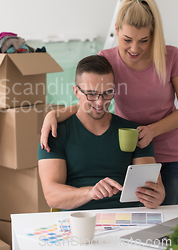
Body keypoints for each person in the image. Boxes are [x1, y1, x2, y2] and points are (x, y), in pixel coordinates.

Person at [40, 0, 178, 205]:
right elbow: (91, 96)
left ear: (154, 35)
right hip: (129, 148)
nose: (134, 48)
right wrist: (55, 114)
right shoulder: (107, 60)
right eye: (127, 40)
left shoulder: (172, 58)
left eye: (144, 41)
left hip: (170, 153)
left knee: (166, 220)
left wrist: (152, 131)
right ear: (117, 30)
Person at [37, 55, 165, 210]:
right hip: (79, 222)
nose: (100, 102)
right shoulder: (55, 133)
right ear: (76, 92)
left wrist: (157, 196)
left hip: (128, 219)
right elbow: (52, 196)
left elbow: (151, 186)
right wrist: (91, 193)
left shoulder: (134, 132)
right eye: (91, 94)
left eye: (107, 93)